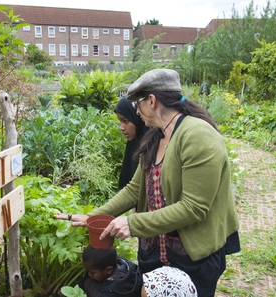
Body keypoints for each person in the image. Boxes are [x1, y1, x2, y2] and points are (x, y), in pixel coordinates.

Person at [55, 68, 240, 297]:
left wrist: (132, 224)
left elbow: (194, 208)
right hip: (155, 253)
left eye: (137, 104)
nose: (136, 111)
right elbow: (135, 189)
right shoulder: (156, 135)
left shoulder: (198, 136)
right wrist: (95, 217)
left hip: (192, 257)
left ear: (151, 101)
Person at [78, 244, 143, 297]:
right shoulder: (116, 262)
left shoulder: (115, 290)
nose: (89, 274)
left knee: (88, 283)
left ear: (108, 270)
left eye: (92, 273)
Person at [114, 97, 148, 189]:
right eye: (120, 121)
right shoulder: (134, 143)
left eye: (126, 121)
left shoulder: (150, 147)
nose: (122, 127)